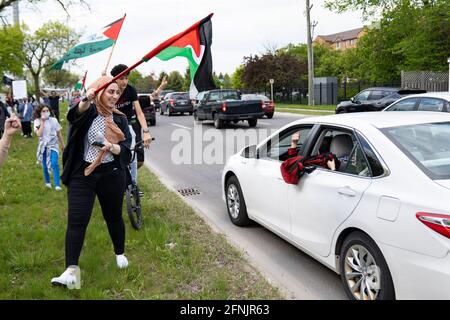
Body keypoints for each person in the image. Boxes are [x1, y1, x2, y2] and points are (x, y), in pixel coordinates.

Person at [52, 76, 132, 288]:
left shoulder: (121, 119)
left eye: (117, 93)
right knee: (77, 221)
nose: (114, 96)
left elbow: (127, 152)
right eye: (110, 91)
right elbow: (74, 115)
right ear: (99, 92)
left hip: (111, 174)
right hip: (83, 174)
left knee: (113, 216)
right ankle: (71, 273)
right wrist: (86, 99)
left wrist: (111, 147)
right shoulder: (88, 111)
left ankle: (119, 253)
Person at [110, 64, 154, 183]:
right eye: (121, 78)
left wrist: (146, 132)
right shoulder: (109, 90)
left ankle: (133, 184)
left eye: (126, 78)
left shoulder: (131, 90)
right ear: (114, 79)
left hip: (126, 124)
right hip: (111, 125)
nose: (124, 81)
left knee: (134, 156)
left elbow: (139, 113)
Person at [33, 104, 65, 190]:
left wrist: (62, 145)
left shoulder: (54, 120)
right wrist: (42, 122)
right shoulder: (37, 121)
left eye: (47, 111)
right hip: (43, 146)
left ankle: (57, 185)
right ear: (40, 112)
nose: (46, 112)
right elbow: (39, 134)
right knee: (44, 164)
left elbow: (59, 133)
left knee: (54, 163)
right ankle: (48, 183)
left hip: (54, 145)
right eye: (43, 111)